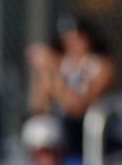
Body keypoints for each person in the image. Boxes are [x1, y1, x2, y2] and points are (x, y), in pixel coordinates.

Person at [26, 14, 115, 157]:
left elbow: (76, 107)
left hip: (87, 126)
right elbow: (38, 106)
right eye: (67, 38)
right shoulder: (59, 62)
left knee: (70, 127)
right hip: (59, 123)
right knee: (38, 130)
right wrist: (40, 71)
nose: (73, 42)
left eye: (78, 37)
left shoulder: (101, 65)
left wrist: (53, 74)